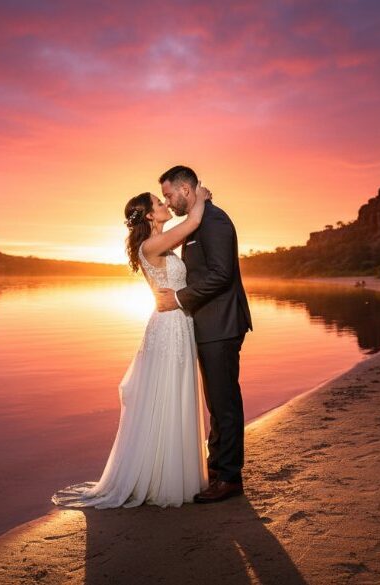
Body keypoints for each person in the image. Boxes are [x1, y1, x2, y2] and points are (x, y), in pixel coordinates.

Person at [51, 183, 211, 508]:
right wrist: (201, 197)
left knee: (175, 394)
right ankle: (161, 479)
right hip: (168, 328)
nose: (165, 203)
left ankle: (171, 472)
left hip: (176, 324)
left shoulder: (160, 244)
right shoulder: (151, 245)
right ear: (150, 215)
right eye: (158, 202)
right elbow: (193, 223)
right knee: (167, 394)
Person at [154, 165, 253, 503]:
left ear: (185, 189)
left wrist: (179, 299)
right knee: (216, 400)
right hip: (208, 324)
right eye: (163, 197)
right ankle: (217, 469)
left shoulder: (215, 221)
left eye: (169, 195)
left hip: (221, 325)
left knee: (224, 402)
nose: (168, 200)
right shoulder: (200, 219)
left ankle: (229, 478)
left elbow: (222, 275)